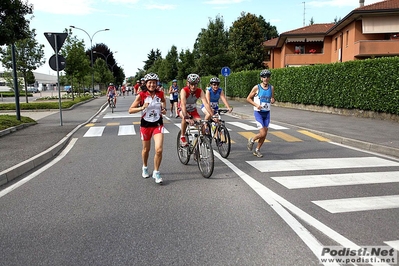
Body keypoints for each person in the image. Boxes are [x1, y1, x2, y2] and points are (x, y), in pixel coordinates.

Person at [128, 73, 167, 184]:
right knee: (146, 149)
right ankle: (145, 167)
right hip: (145, 125)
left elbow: (163, 102)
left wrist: (164, 109)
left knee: (159, 149)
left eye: (154, 82)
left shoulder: (160, 94)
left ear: (157, 83)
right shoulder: (141, 95)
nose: (152, 85)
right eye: (150, 82)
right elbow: (130, 110)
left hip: (158, 124)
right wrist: (142, 107)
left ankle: (156, 171)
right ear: (146, 83)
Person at [246, 69, 275, 158]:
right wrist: (256, 105)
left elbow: (272, 98)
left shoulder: (271, 88)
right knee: (262, 133)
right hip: (258, 113)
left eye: (267, 77)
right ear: (261, 78)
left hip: (267, 113)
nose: (266, 78)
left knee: (265, 134)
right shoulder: (257, 87)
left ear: (269, 78)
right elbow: (248, 98)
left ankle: (257, 149)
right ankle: (252, 139)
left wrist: (272, 100)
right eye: (264, 77)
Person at [178, 73, 214, 146]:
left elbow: (206, 104)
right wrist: (187, 118)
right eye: (191, 84)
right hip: (183, 110)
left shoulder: (200, 91)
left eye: (195, 84)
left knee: (201, 126)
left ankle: (198, 146)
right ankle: (182, 136)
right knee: (184, 119)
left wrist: (212, 115)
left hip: (193, 111)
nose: (193, 86)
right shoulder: (184, 90)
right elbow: (183, 105)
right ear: (188, 83)